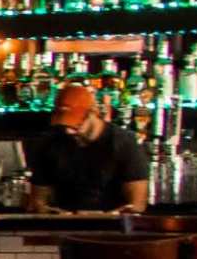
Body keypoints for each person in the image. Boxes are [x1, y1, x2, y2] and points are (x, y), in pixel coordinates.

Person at [25, 81, 151, 211]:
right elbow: (37, 200)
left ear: (93, 113)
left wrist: (110, 218)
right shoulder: (50, 143)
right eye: (64, 124)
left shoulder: (124, 143)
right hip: (63, 226)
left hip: (114, 227)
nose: (69, 131)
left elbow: (137, 205)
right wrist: (46, 211)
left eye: (76, 124)